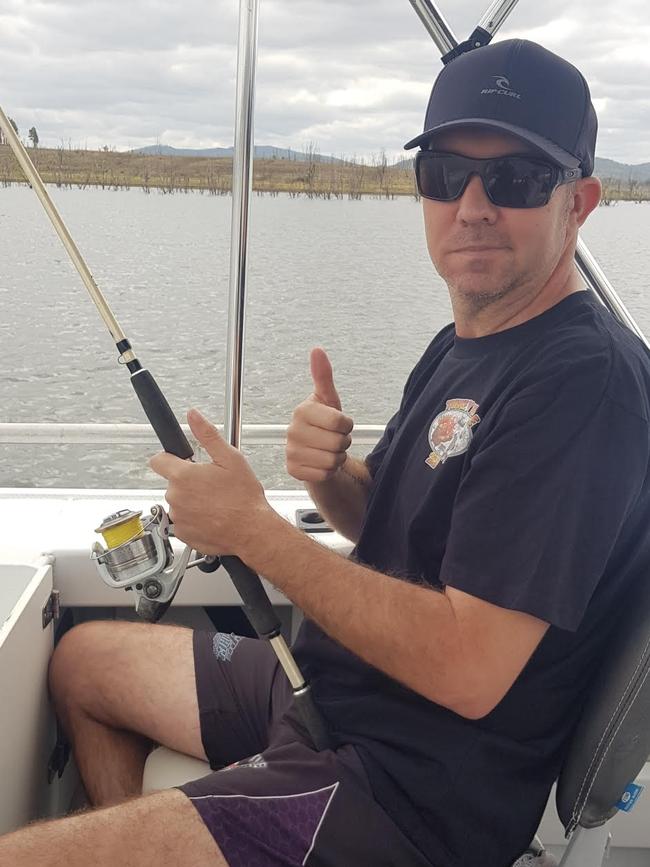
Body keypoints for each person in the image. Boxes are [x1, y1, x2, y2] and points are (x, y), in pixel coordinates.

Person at [2, 37, 649, 867]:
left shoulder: (583, 384)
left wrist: (255, 531)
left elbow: (468, 665)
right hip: (328, 685)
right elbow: (402, 526)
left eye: (517, 179)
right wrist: (334, 474)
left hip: (411, 787)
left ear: (581, 201)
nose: (474, 205)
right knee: (85, 663)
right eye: (446, 174)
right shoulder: (466, 339)